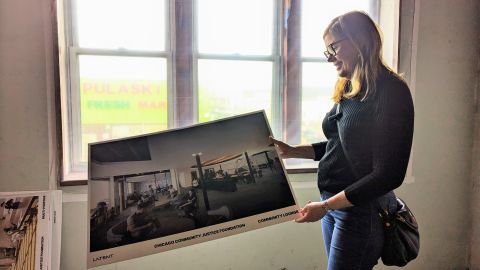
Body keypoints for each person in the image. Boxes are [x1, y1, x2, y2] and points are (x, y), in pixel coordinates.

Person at [270, 11, 414, 270]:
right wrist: (292, 151)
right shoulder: (349, 88)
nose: (330, 58)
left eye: (333, 47)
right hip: (336, 206)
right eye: (327, 51)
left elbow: (389, 174)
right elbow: (343, 145)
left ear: (360, 40)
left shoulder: (392, 91)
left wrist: (325, 206)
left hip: (361, 211)